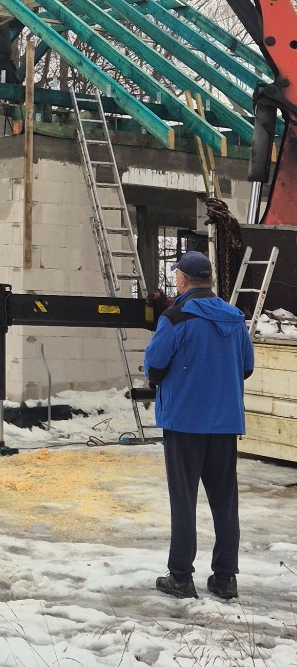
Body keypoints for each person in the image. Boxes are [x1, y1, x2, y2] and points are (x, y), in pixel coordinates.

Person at [143, 248, 254, 602]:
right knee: (225, 502)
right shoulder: (234, 318)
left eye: (176, 275)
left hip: (185, 423)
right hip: (224, 423)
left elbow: (155, 366)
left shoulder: (176, 318)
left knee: (184, 500)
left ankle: (180, 576)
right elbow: (246, 367)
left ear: (183, 280)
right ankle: (225, 578)